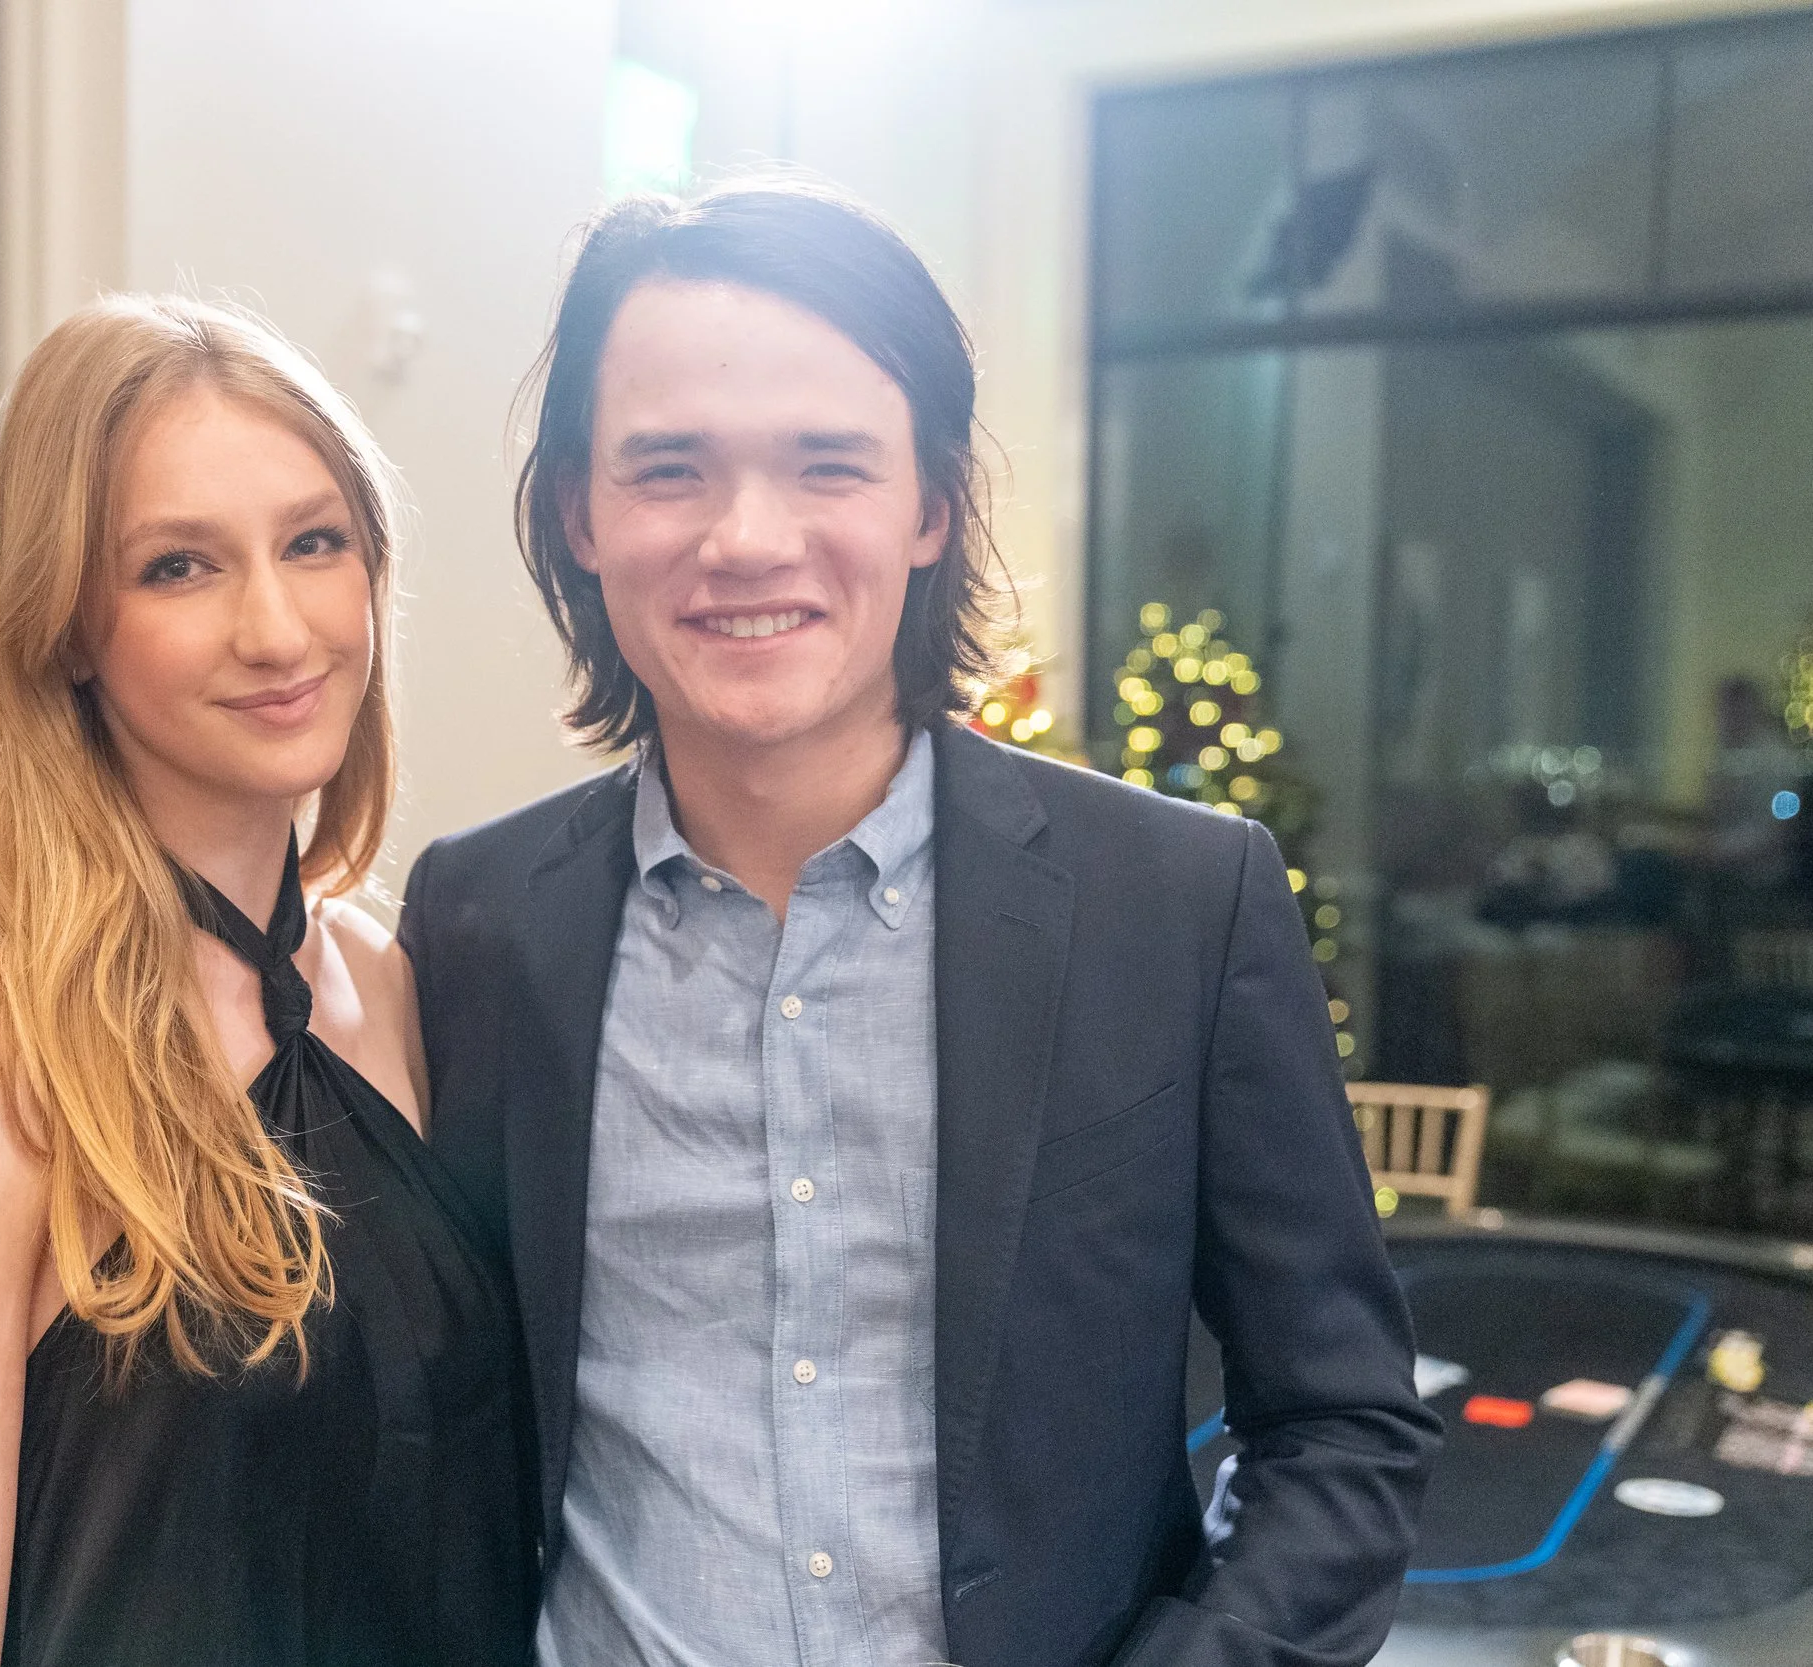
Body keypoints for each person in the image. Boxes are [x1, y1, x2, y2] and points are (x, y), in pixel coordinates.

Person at [399, 181, 1440, 1667]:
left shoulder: (1176, 901)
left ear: (931, 504)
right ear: (578, 511)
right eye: (669, 468)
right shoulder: (477, 921)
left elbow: (1341, 1420)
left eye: (830, 463)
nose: (748, 538)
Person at [0, 296, 536, 1667]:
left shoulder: (390, 982)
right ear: (68, 626)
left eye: (315, 543)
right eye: (180, 566)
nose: (277, 626)